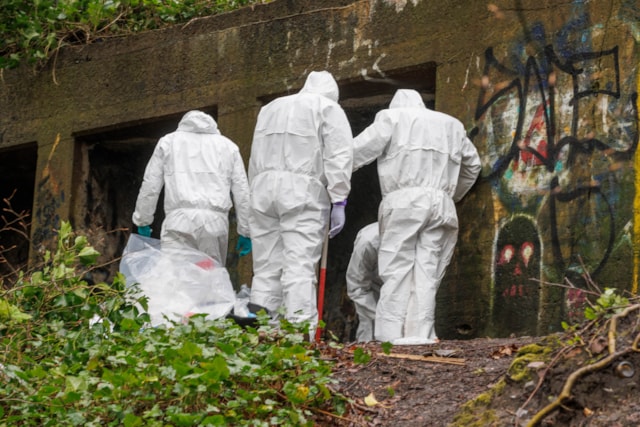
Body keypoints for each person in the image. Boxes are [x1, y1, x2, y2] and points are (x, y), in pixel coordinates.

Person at [353, 89, 481, 344]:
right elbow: (473, 165)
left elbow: (357, 151)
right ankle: (419, 334)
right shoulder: (452, 126)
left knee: (396, 267)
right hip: (441, 204)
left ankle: (389, 336)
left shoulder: (391, 118)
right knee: (427, 270)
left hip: (403, 200)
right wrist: (451, 195)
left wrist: (330, 176)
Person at [248, 70, 353, 331]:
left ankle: (262, 335)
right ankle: (298, 338)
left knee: (265, 268)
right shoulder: (327, 108)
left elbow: (255, 153)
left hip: (262, 191)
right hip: (300, 192)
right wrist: (339, 199)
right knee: (299, 265)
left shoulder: (271, 108)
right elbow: (339, 155)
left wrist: (253, 193)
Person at [132, 110, 252, 266]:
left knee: (176, 280)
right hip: (214, 224)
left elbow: (150, 184)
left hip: (178, 222)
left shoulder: (168, 142)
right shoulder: (229, 147)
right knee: (210, 280)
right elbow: (242, 191)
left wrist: (143, 220)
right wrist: (246, 231)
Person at [346, 222, 382, 342]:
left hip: (405, 290)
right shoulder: (369, 240)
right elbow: (357, 285)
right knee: (370, 332)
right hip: (372, 289)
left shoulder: (421, 236)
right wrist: (380, 319)